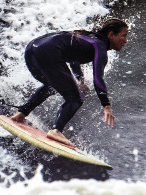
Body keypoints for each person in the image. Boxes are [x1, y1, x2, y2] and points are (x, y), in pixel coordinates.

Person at [9, 18, 129, 148]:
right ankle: (56, 131)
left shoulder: (88, 38)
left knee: (52, 86)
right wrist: (106, 105)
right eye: (124, 35)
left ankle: (20, 114)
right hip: (48, 52)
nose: (126, 40)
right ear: (111, 34)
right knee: (75, 99)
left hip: (32, 48)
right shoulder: (100, 47)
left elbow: (73, 58)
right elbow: (98, 79)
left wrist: (80, 79)